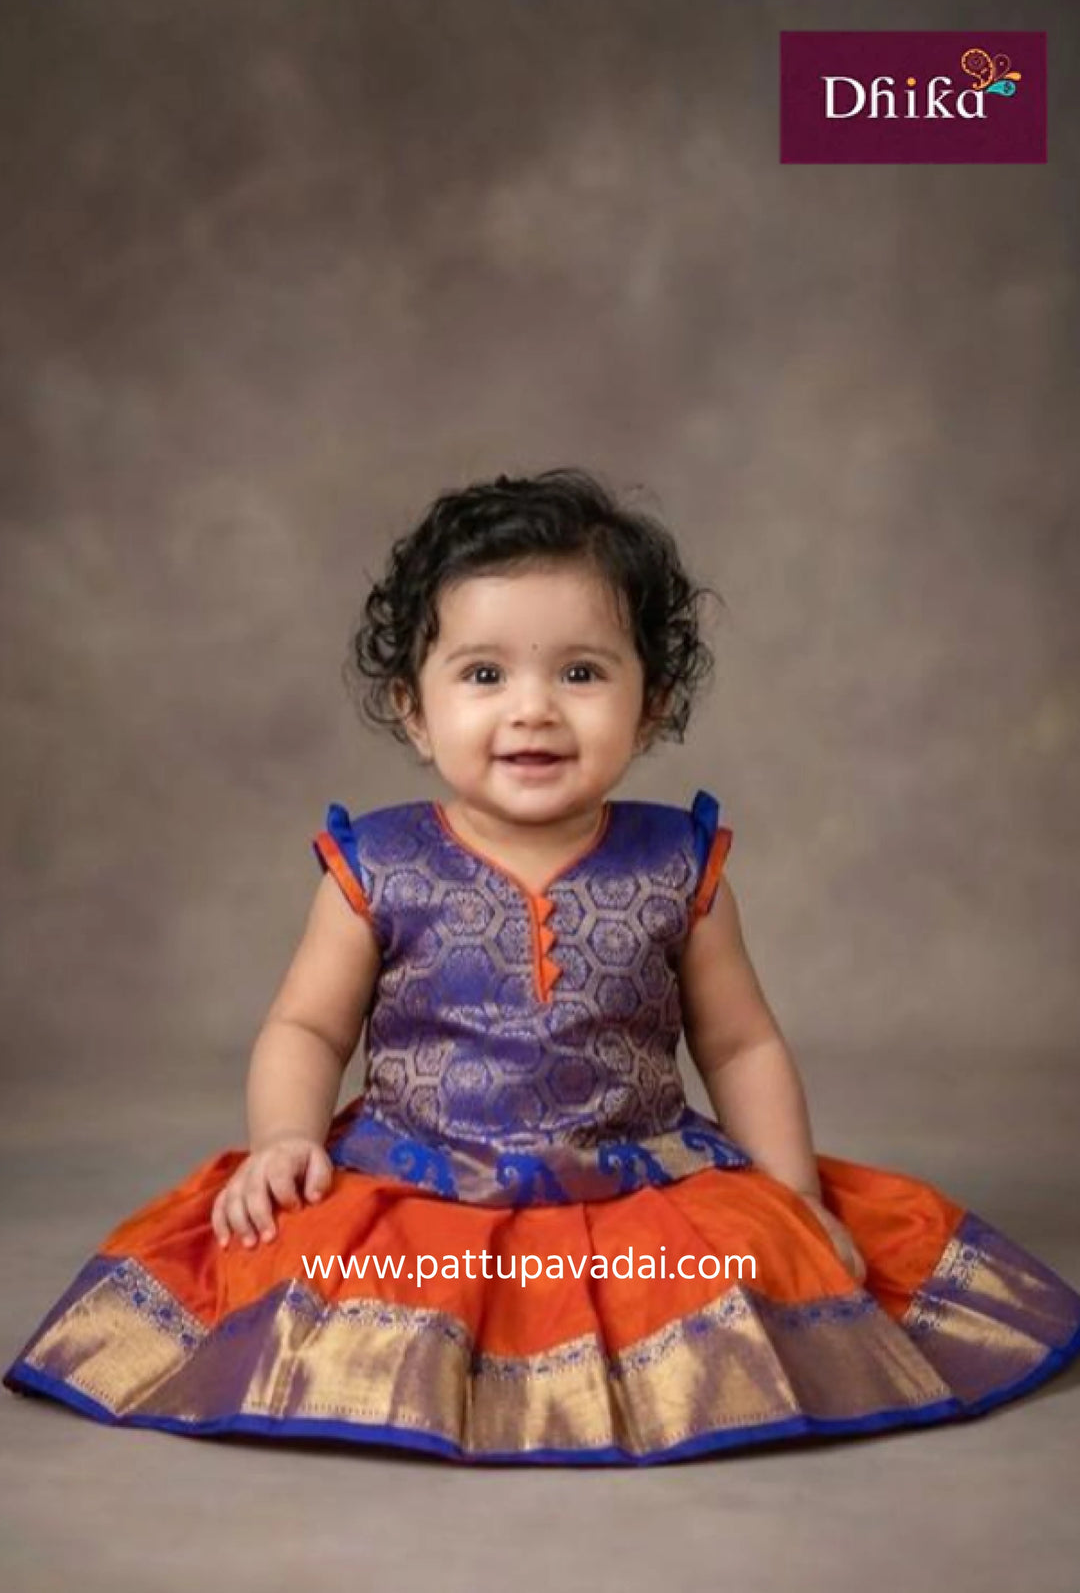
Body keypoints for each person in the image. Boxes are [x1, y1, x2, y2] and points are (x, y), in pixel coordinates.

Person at [5, 467, 1079, 1466]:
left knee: (748, 1282)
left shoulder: (679, 863)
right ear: (414, 711)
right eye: (484, 673)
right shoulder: (377, 865)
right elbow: (308, 1031)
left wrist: (792, 1198)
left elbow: (742, 1041)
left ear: (650, 703)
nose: (533, 708)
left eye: (580, 672)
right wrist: (283, 1138)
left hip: (635, 1183)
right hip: (418, 1178)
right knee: (312, 1273)